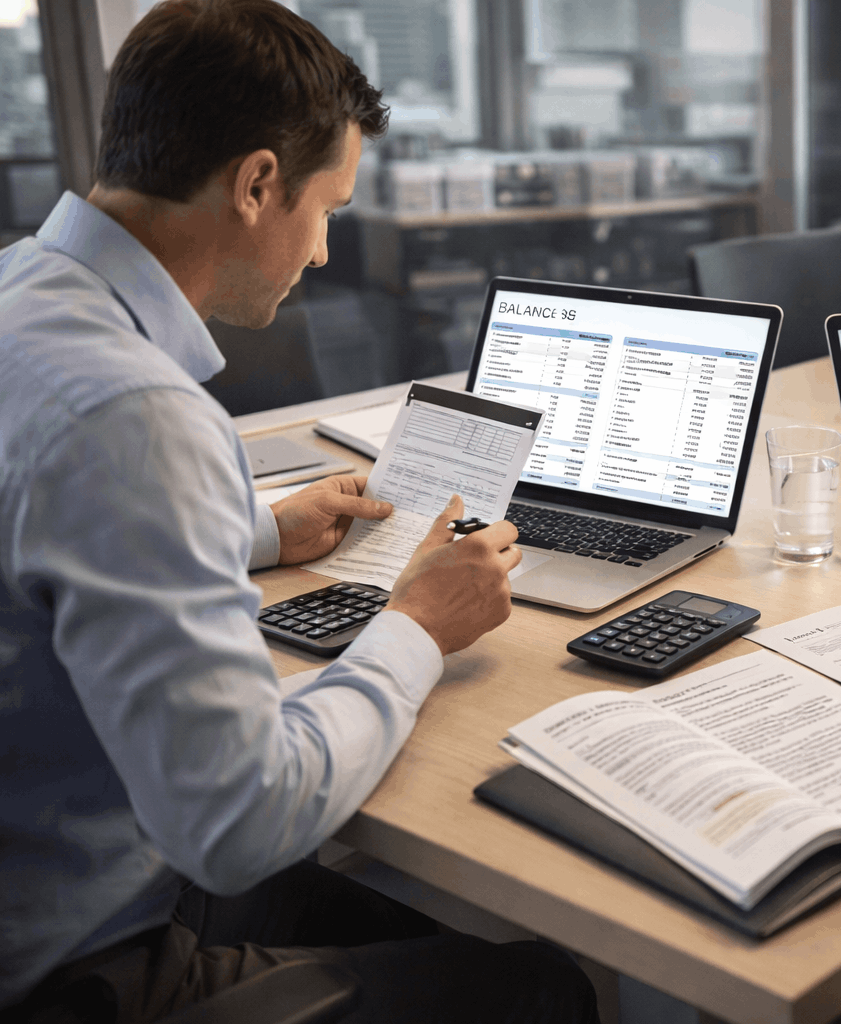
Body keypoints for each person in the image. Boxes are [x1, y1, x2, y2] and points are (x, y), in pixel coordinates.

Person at [0, 1, 597, 1021]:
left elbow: (45, 524)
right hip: (80, 969)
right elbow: (241, 820)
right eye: (327, 208)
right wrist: (415, 627)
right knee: (543, 986)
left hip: (46, 851)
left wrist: (264, 530)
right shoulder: (140, 414)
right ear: (257, 184)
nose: (322, 252)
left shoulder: (23, 294)